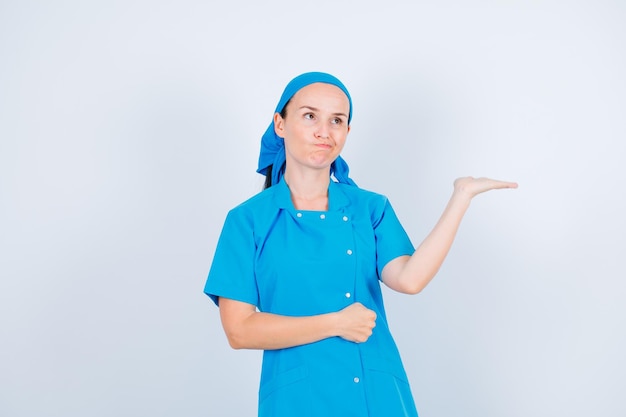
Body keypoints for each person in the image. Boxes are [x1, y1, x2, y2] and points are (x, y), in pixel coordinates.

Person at [204, 72, 517, 417]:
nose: (324, 131)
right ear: (280, 123)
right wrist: (336, 323)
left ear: (347, 132)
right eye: (310, 116)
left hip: (376, 391)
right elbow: (239, 329)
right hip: (297, 399)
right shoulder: (248, 220)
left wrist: (460, 197)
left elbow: (409, 279)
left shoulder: (370, 208)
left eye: (337, 120)